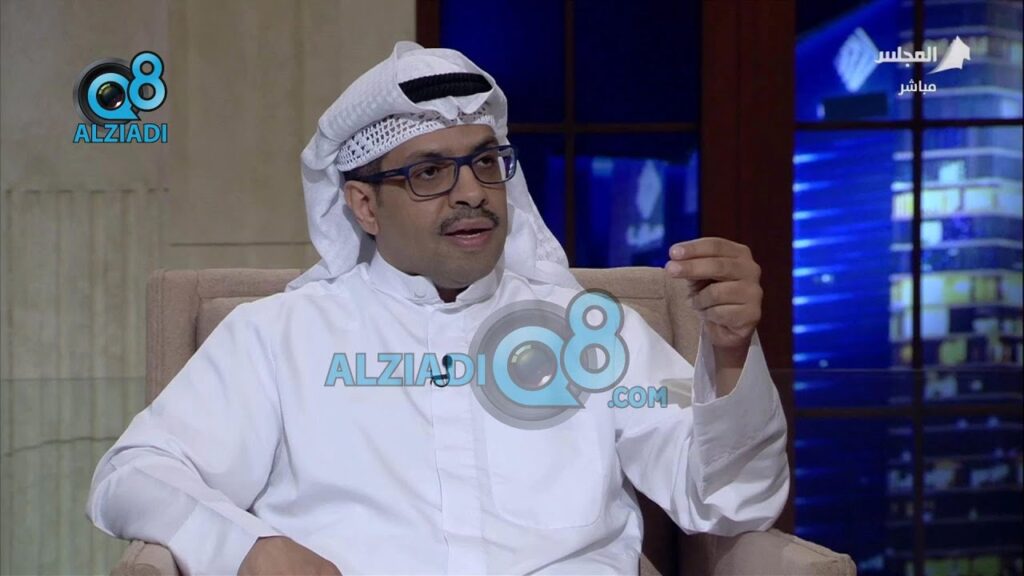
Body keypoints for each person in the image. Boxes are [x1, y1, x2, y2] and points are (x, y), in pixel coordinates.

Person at [87, 41, 788, 575]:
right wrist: (246, 547)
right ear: (363, 206)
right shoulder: (279, 336)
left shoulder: (589, 334)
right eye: (429, 172)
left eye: (484, 163)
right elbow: (131, 476)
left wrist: (729, 357)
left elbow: (731, 500)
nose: (472, 192)